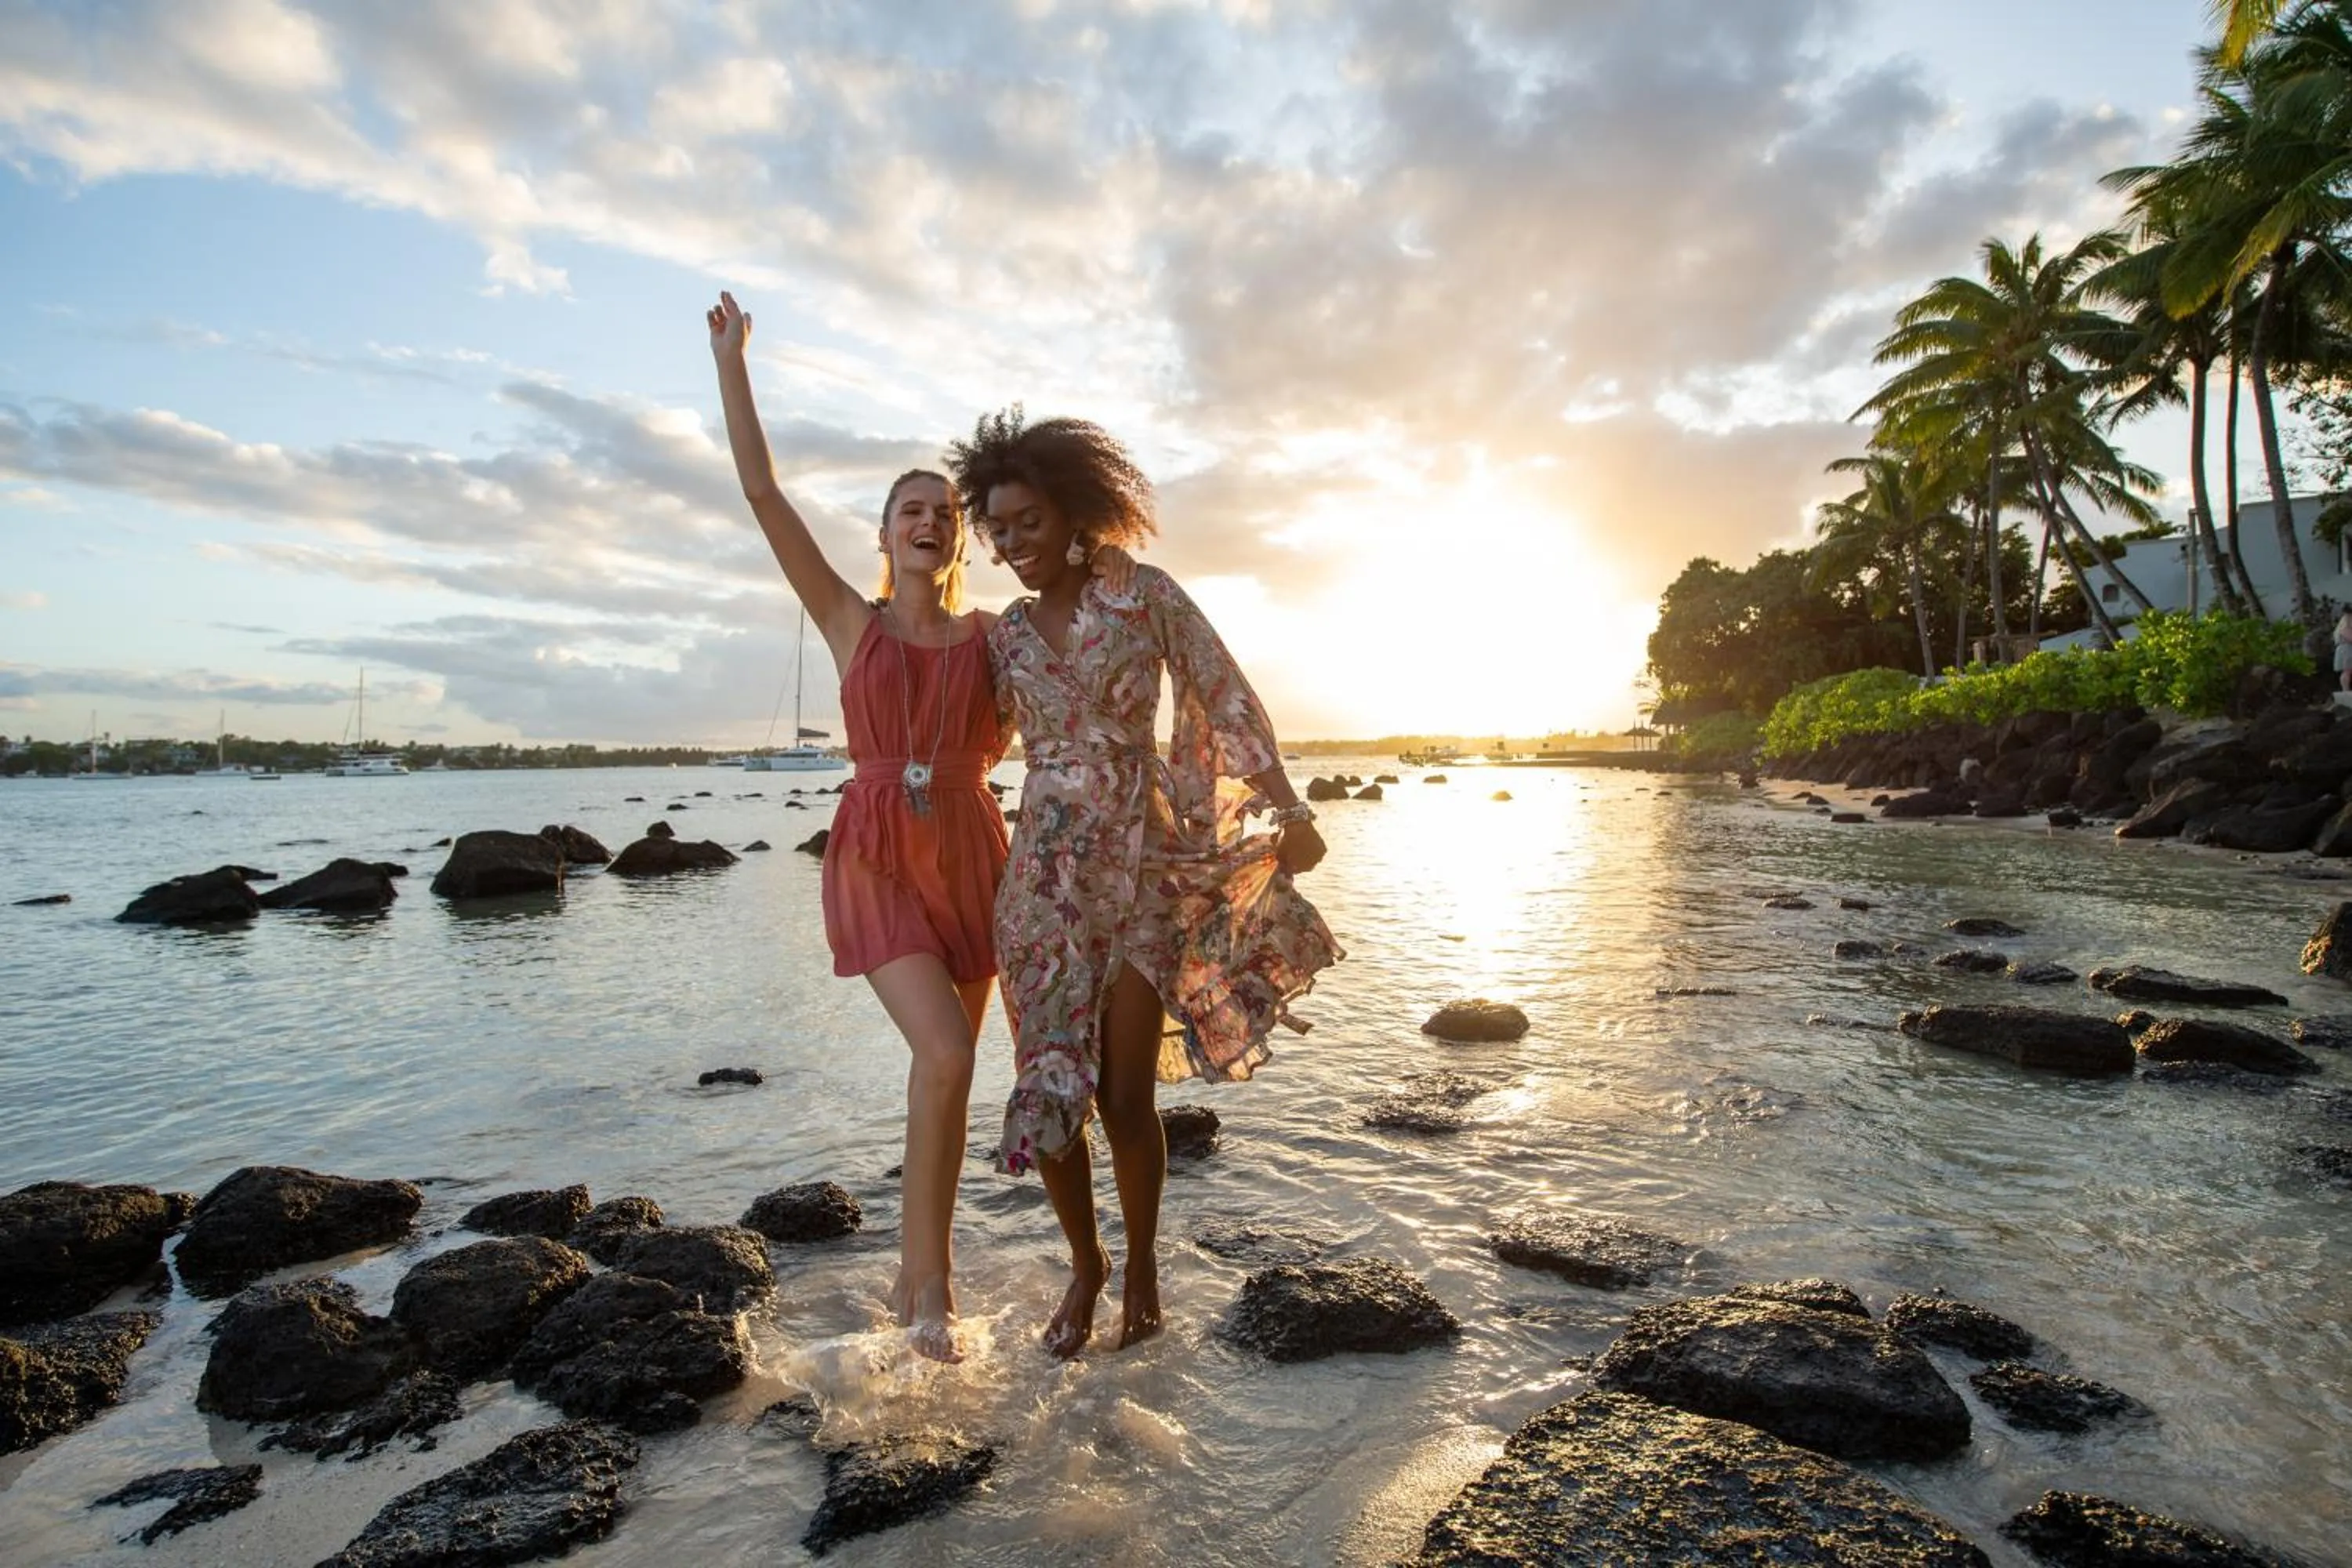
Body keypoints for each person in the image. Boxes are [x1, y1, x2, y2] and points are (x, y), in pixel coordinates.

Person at [706, 296, 1132, 1359]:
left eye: (945, 510)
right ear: (886, 533)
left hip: (980, 860)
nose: (929, 520)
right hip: (878, 858)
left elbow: (1081, 672)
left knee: (943, 1073)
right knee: (943, 1053)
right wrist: (733, 365)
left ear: (964, 538)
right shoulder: (853, 626)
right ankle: (925, 1285)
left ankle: (919, 1285)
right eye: (910, 508)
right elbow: (763, 495)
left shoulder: (996, 639)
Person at [947, 408, 1341, 1357]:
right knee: (1046, 1094)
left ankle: (1146, 1263)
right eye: (996, 530)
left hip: (1143, 864)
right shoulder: (1001, 637)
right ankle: (1085, 1263)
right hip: (1041, 877)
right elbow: (956, 737)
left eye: (1027, 522)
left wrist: (1289, 809)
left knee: (1124, 1094)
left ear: (1074, 510)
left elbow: (1222, 687)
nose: (1011, 545)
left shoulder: (1146, 595)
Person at [2334, 607, 2352, 693]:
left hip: (2347, 647)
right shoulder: (2346, 620)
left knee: (2348, 670)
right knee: (2347, 670)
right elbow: (2347, 634)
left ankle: (2346, 690)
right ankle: (2346, 690)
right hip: (2346, 648)